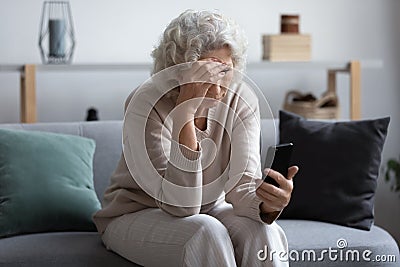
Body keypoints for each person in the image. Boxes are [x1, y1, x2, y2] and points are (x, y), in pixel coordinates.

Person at [93, 9, 298, 267]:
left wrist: (268, 204)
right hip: (136, 211)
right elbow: (181, 206)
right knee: (205, 232)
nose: (218, 88)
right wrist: (186, 110)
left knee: (265, 231)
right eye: (205, 75)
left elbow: (242, 187)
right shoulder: (145, 102)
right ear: (178, 72)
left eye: (225, 73)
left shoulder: (241, 98)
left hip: (210, 207)